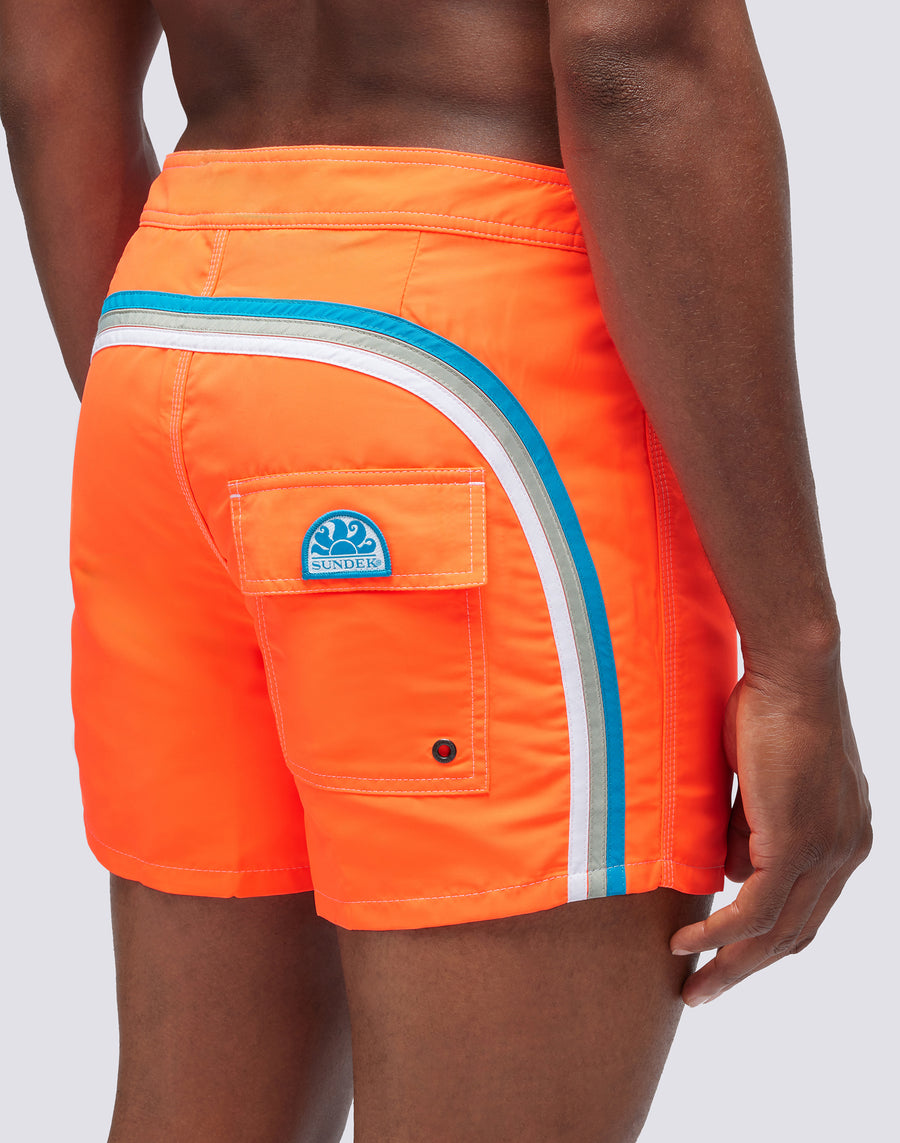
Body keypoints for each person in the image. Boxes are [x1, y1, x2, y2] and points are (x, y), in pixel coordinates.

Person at [0, 1, 873, 1140]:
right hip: (469, 363)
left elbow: (46, 72)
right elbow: (635, 44)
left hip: (170, 330)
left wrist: (214, 419)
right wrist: (796, 654)